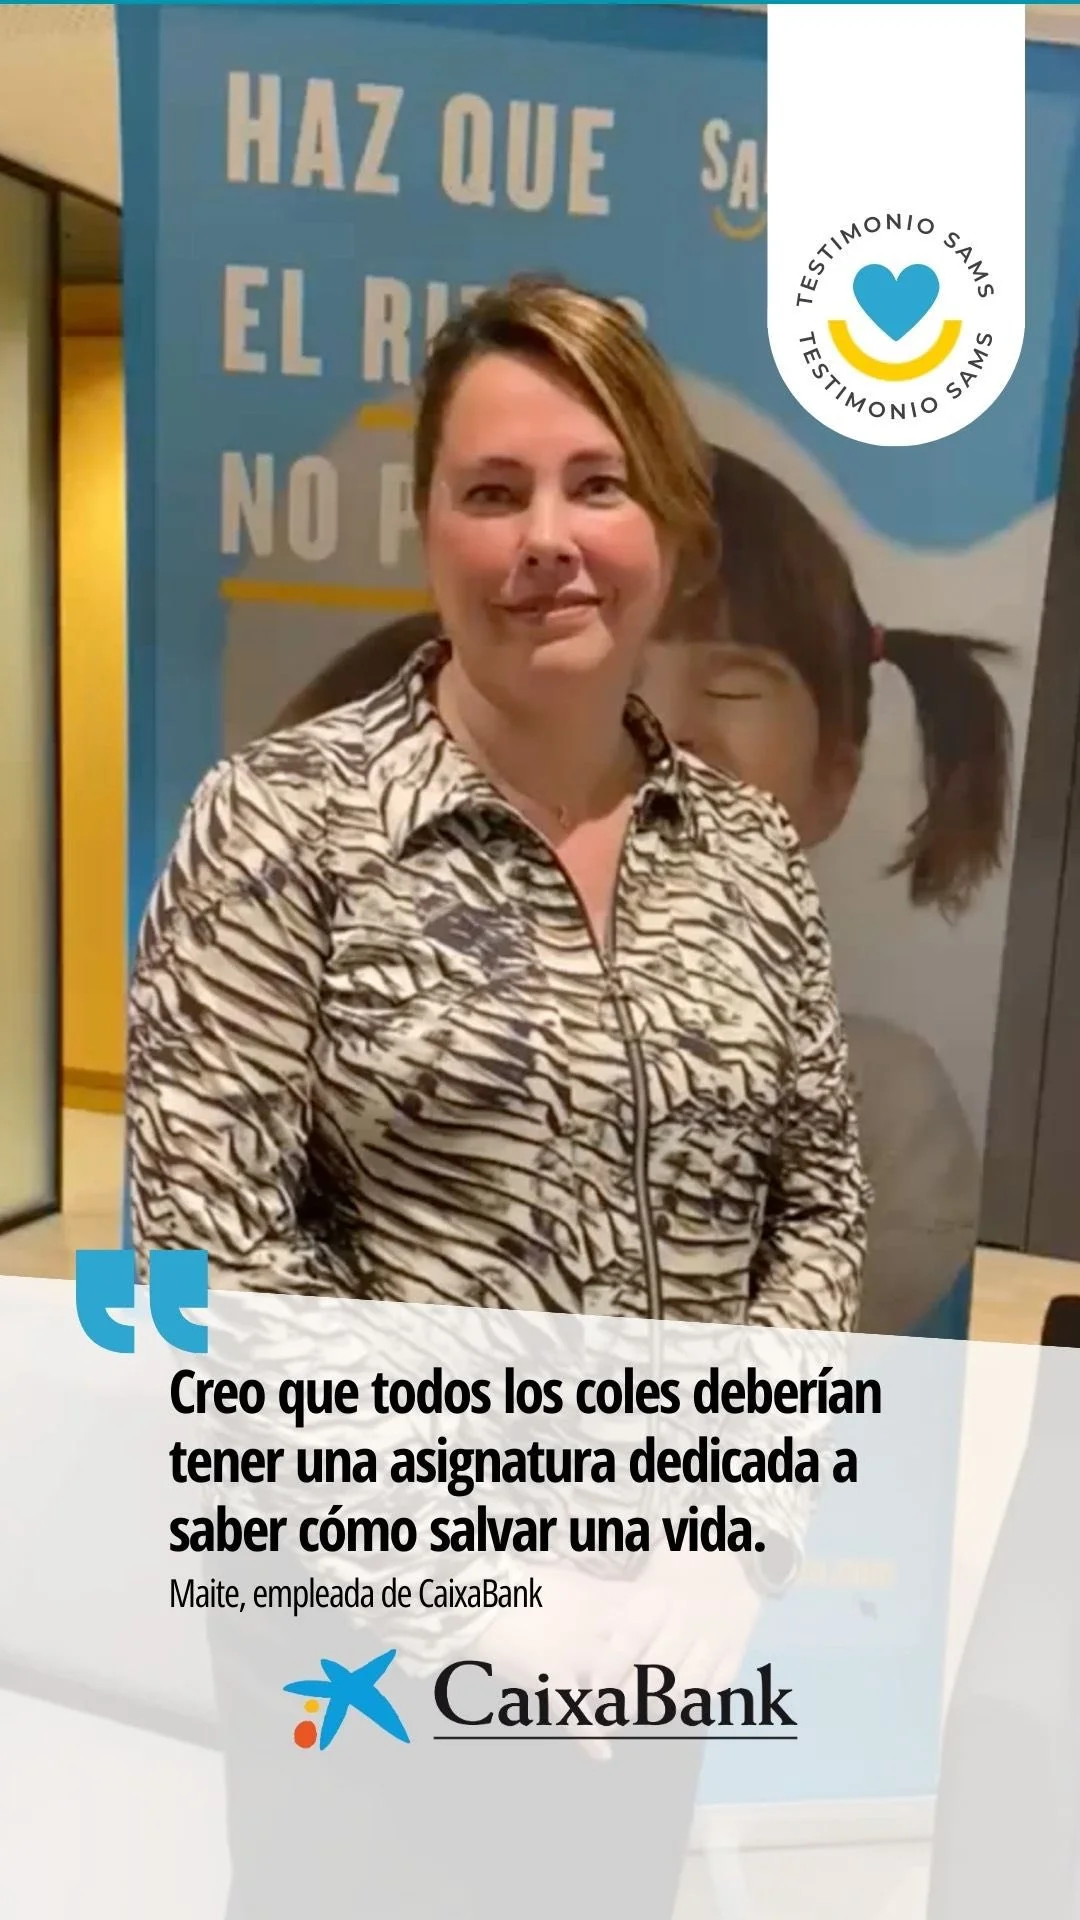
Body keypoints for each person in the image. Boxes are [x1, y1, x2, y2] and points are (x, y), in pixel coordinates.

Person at [127, 278, 868, 1918]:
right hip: (367, 1653)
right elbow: (210, 1262)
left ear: (670, 524)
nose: (549, 539)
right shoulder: (282, 823)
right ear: (430, 533)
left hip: (651, 1638)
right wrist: (491, 1589)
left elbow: (817, 1205)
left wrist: (727, 1537)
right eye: (492, 491)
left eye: (597, 484)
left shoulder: (747, 855)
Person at [268, 443, 1008, 1336]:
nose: (658, 730)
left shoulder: (886, 1110)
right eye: (601, 682)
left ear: (834, 777)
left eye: (733, 687)